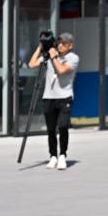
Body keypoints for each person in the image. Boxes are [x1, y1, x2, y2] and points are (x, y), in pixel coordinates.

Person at [28, 32, 80, 171]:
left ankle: (62, 155)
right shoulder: (49, 56)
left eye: (64, 44)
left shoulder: (73, 58)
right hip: (49, 97)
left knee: (63, 126)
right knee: (51, 129)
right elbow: (31, 64)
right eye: (59, 43)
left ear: (70, 45)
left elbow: (61, 70)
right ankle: (53, 156)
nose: (60, 45)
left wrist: (54, 57)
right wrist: (40, 47)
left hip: (65, 97)